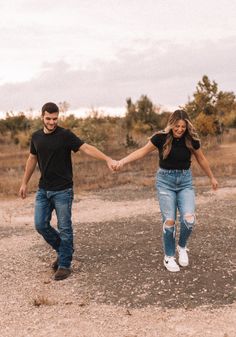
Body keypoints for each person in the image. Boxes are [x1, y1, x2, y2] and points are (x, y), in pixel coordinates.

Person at [19, 102, 117, 280]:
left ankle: (64, 264)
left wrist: (107, 158)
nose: (52, 122)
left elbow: (86, 147)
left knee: (65, 227)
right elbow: (32, 158)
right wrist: (24, 182)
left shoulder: (65, 135)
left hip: (63, 190)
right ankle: (65, 250)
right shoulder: (36, 137)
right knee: (40, 225)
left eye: (55, 119)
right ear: (42, 116)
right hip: (43, 190)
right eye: (48, 118)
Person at [114, 110, 218, 272]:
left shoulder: (190, 140)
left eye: (183, 126)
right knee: (169, 220)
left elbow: (201, 159)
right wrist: (122, 161)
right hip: (165, 183)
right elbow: (141, 151)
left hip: (185, 182)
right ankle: (169, 257)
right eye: (177, 126)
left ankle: (182, 247)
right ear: (171, 124)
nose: (180, 129)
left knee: (189, 219)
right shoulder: (160, 138)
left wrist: (212, 177)